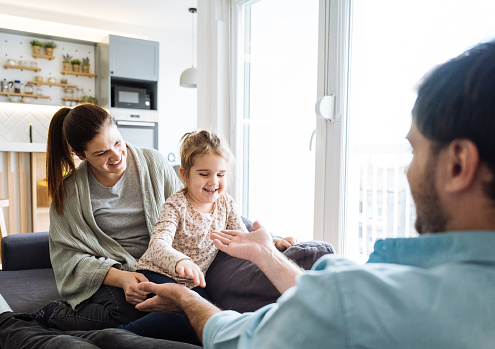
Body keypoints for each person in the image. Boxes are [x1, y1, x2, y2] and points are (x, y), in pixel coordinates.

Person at [132, 40, 495, 348]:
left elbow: (245, 338)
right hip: (163, 272)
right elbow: (332, 306)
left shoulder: (367, 299)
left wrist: (185, 298)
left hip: (194, 288)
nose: (406, 170)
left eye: (414, 151)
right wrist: (264, 252)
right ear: (184, 174)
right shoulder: (176, 204)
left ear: (458, 165)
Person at [120, 130, 297, 343]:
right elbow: (157, 245)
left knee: (206, 316)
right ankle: (122, 334)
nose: (214, 182)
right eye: (204, 174)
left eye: (220, 175)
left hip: (192, 282)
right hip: (158, 272)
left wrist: (276, 243)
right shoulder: (175, 205)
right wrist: (180, 260)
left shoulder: (226, 203)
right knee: (186, 315)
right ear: (184, 174)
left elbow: (244, 237)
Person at [31, 103, 182, 331]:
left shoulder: (154, 163)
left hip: (159, 267)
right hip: (112, 274)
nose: (116, 156)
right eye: (101, 153)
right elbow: (68, 258)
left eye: (117, 142)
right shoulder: (69, 192)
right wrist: (122, 278)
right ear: (80, 155)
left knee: (181, 305)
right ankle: (56, 314)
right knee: (129, 310)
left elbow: (185, 215)